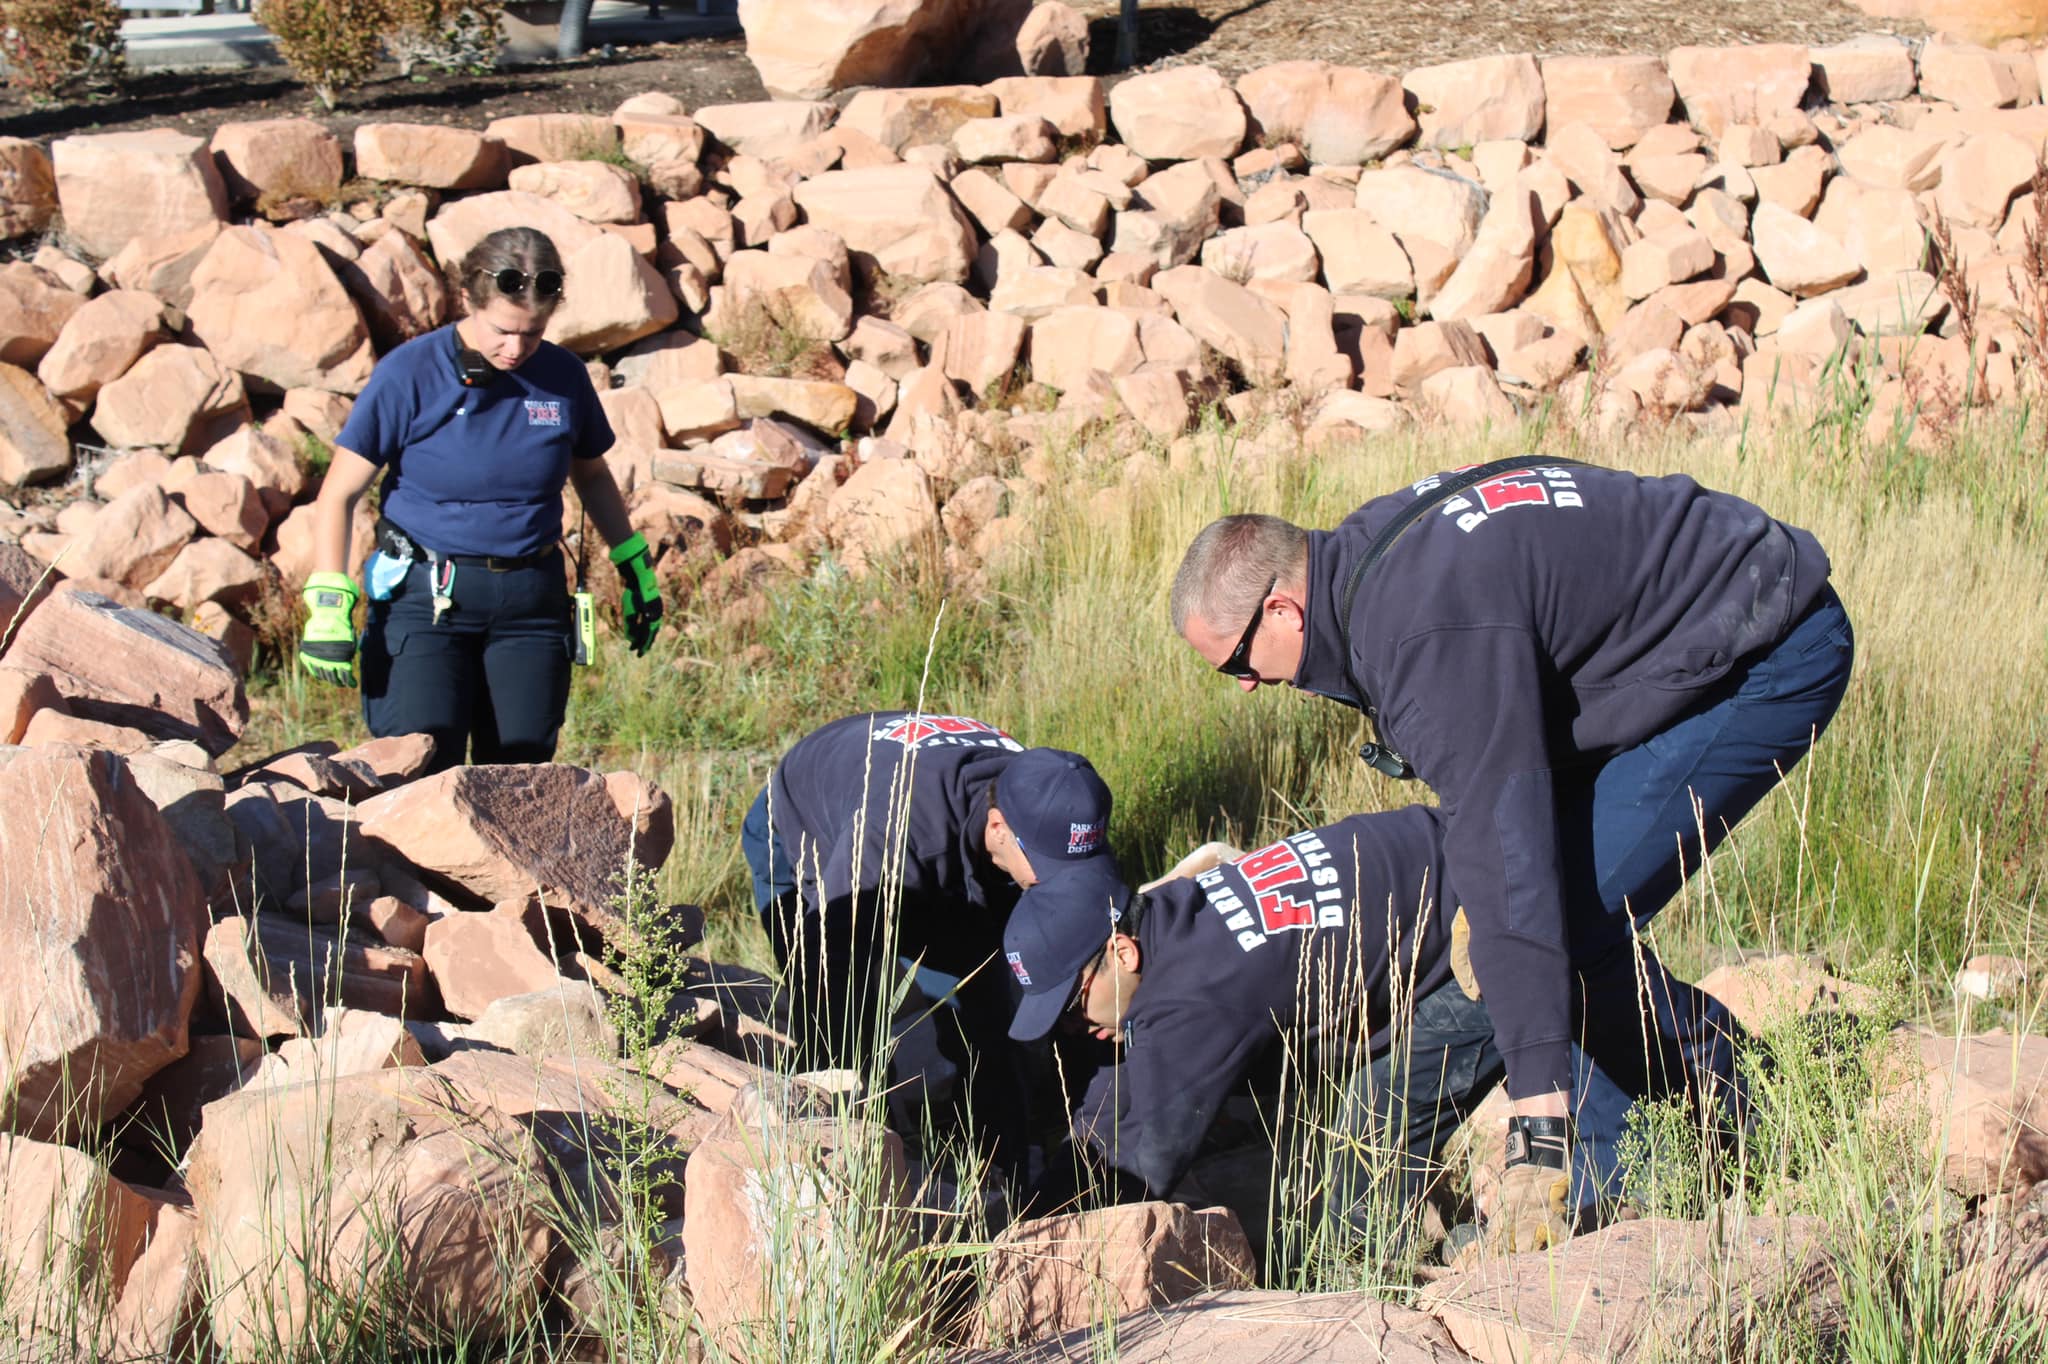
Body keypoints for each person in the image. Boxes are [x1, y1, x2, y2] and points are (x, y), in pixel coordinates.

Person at [1169, 459, 1855, 1252]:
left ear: (1281, 608)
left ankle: (1734, 1128)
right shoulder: (1363, 568)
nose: (1246, 686)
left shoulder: (1423, 637)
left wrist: (1535, 1119)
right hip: (1690, 634)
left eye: (1235, 663)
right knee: (1522, 930)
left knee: (1552, 919)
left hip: (1768, 646)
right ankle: (1666, 1147)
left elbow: (1513, 852)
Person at [1003, 808, 1482, 1239]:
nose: (1072, 1029)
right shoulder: (1169, 916)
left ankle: (1377, 1281)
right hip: (1454, 839)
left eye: (1071, 1008)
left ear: (1122, 953)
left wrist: (1048, 1245)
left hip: (1487, 921)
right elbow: (1118, 1095)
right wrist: (1039, 1210)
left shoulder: (1197, 997)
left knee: (1369, 1141)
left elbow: (1146, 1163)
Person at [298, 227, 662, 772]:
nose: (515, 349)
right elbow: (339, 493)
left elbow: (590, 474)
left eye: (533, 333)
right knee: (418, 766)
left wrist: (634, 565)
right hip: (426, 601)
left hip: (530, 603)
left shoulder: (561, 376)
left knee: (519, 773)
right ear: (467, 299)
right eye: (502, 330)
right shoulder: (409, 373)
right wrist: (329, 601)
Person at [742, 709, 1114, 1170]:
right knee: (840, 1026)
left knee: (992, 1005)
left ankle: (1004, 1163)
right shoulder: (884, 844)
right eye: (1050, 870)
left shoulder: (1056, 805)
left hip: (939, 835)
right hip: (809, 826)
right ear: (998, 828)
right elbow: (832, 972)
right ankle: (865, 1172)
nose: (1062, 884)